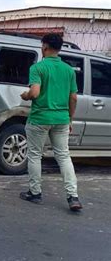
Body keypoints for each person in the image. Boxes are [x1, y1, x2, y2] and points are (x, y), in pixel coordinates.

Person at [20, 33, 82, 211]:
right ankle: (73, 197)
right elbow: (74, 97)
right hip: (62, 119)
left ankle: (35, 193)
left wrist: (26, 95)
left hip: (40, 118)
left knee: (34, 155)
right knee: (63, 156)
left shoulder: (38, 68)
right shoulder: (68, 70)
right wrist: (70, 119)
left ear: (45, 47)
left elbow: (35, 93)